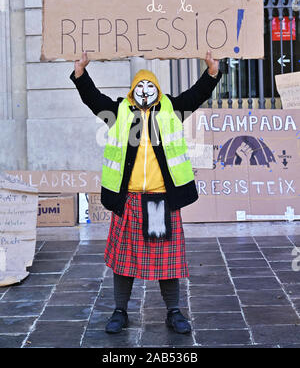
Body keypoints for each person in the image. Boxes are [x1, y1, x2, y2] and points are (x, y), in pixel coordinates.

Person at [70, 51, 221, 334]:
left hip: (160, 200)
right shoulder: (118, 112)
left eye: (150, 86)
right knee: (123, 261)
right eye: (139, 86)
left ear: (158, 90)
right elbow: (93, 99)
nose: (145, 90)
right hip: (128, 199)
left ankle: (174, 311)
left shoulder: (172, 108)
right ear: (131, 92)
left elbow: (196, 94)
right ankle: (120, 311)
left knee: (167, 260)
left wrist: (212, 72)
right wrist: (80, 73)